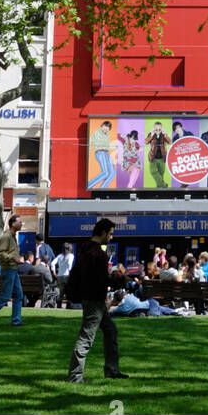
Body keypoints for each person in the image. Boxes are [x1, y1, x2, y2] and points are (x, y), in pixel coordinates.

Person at [66, 218, 127, 383]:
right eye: (111, 234)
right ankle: (75, 376)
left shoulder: (84, 250)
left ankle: (112, 370)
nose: (111, 237)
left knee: (110, 330)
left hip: (89, 298)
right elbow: (101, 280)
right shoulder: (98, 254)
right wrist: (119, 280)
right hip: (95, 300)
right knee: (86, 337)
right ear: (103, 233)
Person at [87, 120, 115, 190]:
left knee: (113, 173)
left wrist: (115, 147)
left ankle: (102, 188)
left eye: (108, 127)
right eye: (105, 126)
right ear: (102, 126)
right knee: (105, 173)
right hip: (100, 152)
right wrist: (88, 153)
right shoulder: (97, 132)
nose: (106, 128)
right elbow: (91, 142)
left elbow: (107, 146)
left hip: (106, 153)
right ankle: (89, 185)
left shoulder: (108, 135)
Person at [146, 122, 172, 189]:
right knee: (153, 171)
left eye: (159, 129)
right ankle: (163, 185)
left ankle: (159, 188)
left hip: (162, 157)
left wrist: (165, 134)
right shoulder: (151, 134)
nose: (157, 131)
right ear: (154, 129)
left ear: (161, 129)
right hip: (153, 157)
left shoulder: (164, 135)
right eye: (156, 129)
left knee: (161, 173)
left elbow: (170, 142)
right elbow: (146, 142)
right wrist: (151, 135)